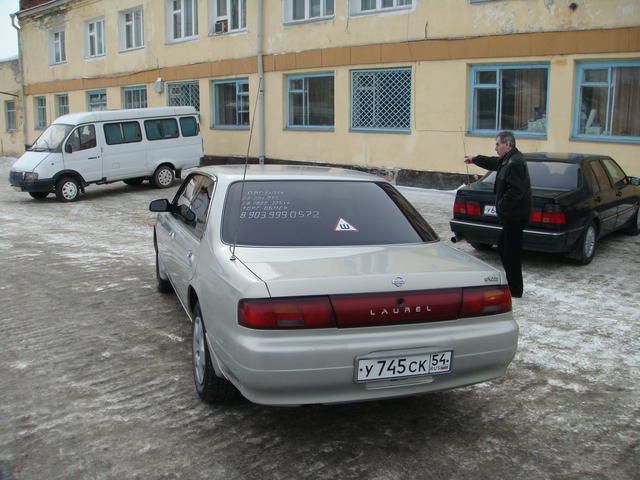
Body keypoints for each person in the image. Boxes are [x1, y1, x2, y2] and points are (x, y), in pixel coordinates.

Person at [464, 131, 532, 298]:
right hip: (511, 215)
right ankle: (512, 284)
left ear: (508, 144)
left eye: (497, 144)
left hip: (515, 216)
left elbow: (516, 192)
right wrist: (475, 159)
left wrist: (501, 206)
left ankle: (516, 290)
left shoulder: (515, 162)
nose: (495, 148)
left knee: (511, 252)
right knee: (503, 247)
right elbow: (494, 162)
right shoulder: (508, 159)